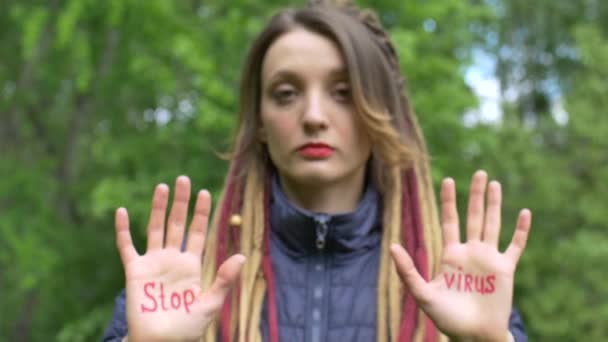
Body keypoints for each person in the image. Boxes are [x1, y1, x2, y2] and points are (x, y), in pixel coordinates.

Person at [102, 1, 531, 341]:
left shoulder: (451, 277)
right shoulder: (186, 276)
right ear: (261, 123)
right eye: (286, 93)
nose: (313, 116)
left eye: (343, 93)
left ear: (380, 112)